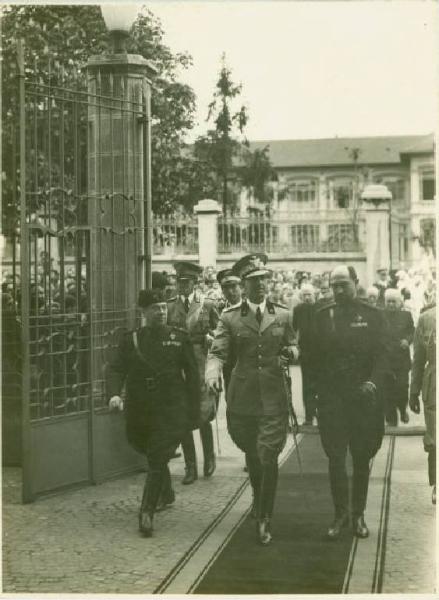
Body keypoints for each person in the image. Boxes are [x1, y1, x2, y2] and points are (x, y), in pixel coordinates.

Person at [206, 253, 298, 546]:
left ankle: (264, 516)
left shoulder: (283, 314)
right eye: (255, 281)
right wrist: (211, 372)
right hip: (243, 397)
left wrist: (292, 354)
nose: (261, 286)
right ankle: (259, 498)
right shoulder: (230, 316)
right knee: (252, 453)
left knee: (267, 455)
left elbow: (294, 345)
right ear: (243, 285)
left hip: (273, 396)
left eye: (264, 280)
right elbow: (217, 351)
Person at [106, 287, 201, 537]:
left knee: (158, 455)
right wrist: (114, 394)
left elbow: (192, 376)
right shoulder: (132, 339)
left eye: (163, 308)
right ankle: (166, 492)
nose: (160, 312)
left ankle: (146, 511)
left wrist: (194, 410)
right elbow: (116, 368)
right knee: (143, 446)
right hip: (140, 408)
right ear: (143, 312)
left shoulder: (179, 337)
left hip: (170, 408)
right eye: (154, 309)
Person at [310, 265, 389, 540]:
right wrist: (314, 398)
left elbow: (383, 356)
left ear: (356, 282)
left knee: (361, 457)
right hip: (333, 400)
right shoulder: (321, 316)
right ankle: (340, 514)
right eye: (335, 285)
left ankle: (358, 515)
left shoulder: (373, 315)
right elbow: (312, 360)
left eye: (344, 284)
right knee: (334, 458)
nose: (339, 290)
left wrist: (373, 383)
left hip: (363, 400)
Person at [167, 261, 220, 484]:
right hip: (180, 366)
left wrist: (212, 337)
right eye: (180, 282)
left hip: (201, 364)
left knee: (203, 414)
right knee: (182, 416)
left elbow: (220, 331)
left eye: (187, 282)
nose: (183, 286)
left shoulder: (207, 305)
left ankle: (209, 458)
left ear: (195, 283)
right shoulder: (169, 307)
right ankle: (190, 467)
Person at [409, 305, 436, 504]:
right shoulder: (427, 318)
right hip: (434, 384)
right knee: (435, 438)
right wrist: (414, 390)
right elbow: (418, 358)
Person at [383, 288, 414, 426]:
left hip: (402, 359)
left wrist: (407, 340)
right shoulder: (381, 315)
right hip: (386, 358)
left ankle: (402, 409)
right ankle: (391, 417)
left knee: (402, 387)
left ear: (399, 303)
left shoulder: (406, 315)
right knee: (388, 388)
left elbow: (412, 331)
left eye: (393, 302)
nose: (390, 304)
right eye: (388, 302)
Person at [292, 283, 317, 426]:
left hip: (321, 352)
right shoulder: (298, 309)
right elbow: (294, 328)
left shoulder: (320, 308)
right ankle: (308, 416)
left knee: (320, 384)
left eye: (309, 294)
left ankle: (321, 413)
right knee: (307, 385)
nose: (307, 297)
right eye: (305, 295)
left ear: (314, 295)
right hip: (306, 352)